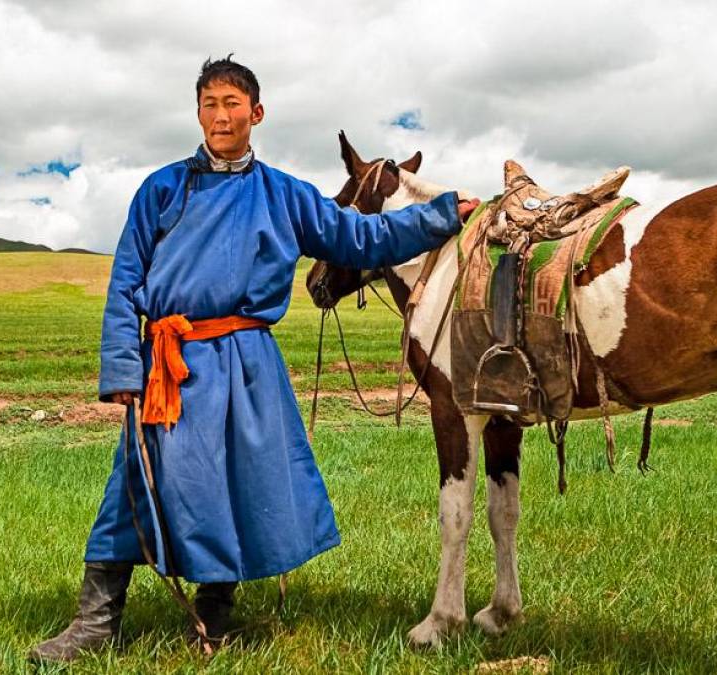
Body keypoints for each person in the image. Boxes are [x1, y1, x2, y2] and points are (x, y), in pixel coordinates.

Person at [29, 56, 478, 663]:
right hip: (172, 365)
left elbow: (361, 239)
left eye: (232, 104)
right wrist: (121, 370)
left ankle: (214, 614)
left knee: (235, 485)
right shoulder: (162, 189)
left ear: (255, 113)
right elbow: (126, 279)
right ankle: (96, 620)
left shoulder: (284, 194)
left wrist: (440, 214)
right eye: (209, 104)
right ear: (198, 113)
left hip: (245, 363)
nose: (220, 115)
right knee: (137, 482)